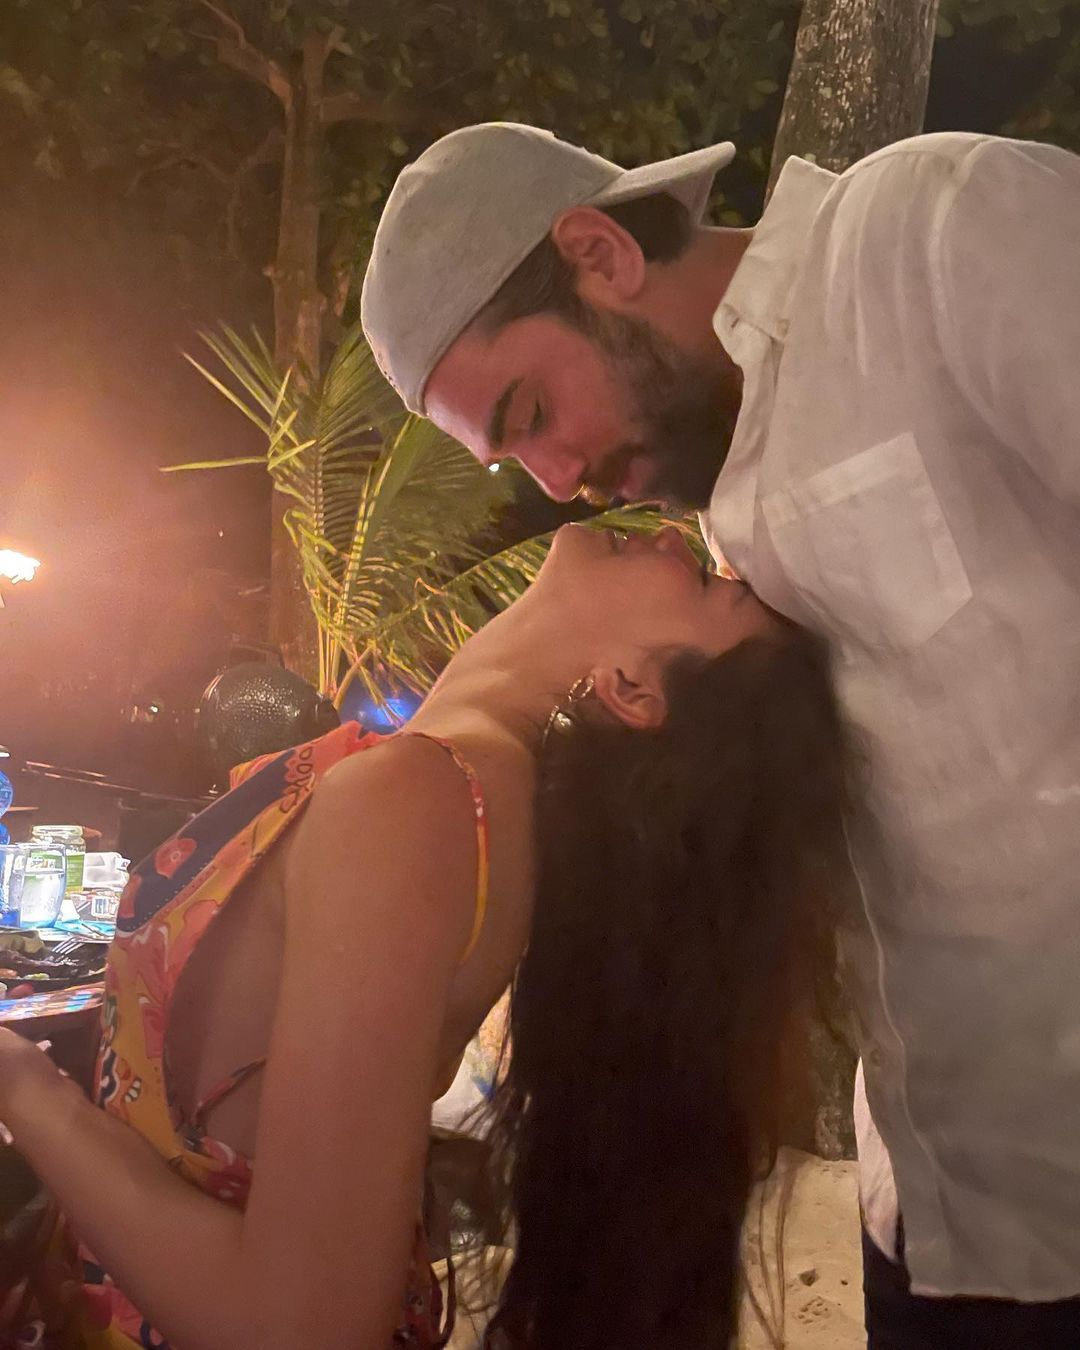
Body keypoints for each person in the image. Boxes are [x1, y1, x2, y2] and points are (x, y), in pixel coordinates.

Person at [362, 122, 1080, 1347]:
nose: (557, 481)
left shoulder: (929, 232)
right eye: (514, 457)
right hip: (934, 1209)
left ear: (599, 253)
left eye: (531, 412)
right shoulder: (722, 518)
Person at [0, 524, 851, 1350]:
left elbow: (304, 1329)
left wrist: (24, 1086)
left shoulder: (421, 804)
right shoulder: (444, 784)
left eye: (702, 579)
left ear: (632, 687)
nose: (669, 533)